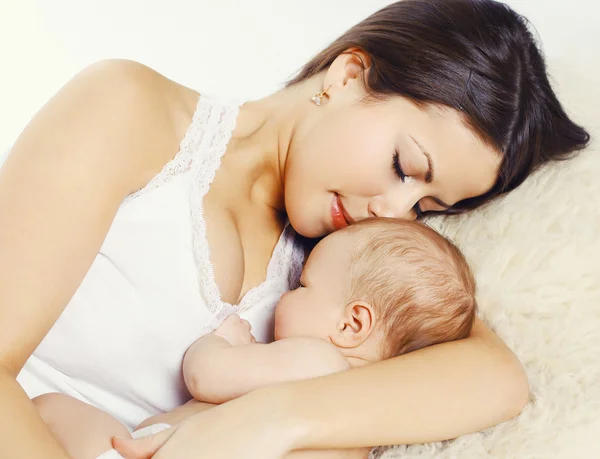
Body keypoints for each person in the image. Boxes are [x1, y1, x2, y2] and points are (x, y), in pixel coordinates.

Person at [0, 0, 590, 458]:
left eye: (427, 206)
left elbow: (497, 377)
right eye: (403, 167)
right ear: (348, 75)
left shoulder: (348, 267)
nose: (395, 211)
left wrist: (270, 421)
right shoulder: (133, 111)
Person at [32, 217, 478, 459]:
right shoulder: (359, 425)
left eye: (303, 286)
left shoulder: (320, 365)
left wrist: (225, 340)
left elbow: (207, 376)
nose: (287, 295)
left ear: (351, 325)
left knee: (46, 410)